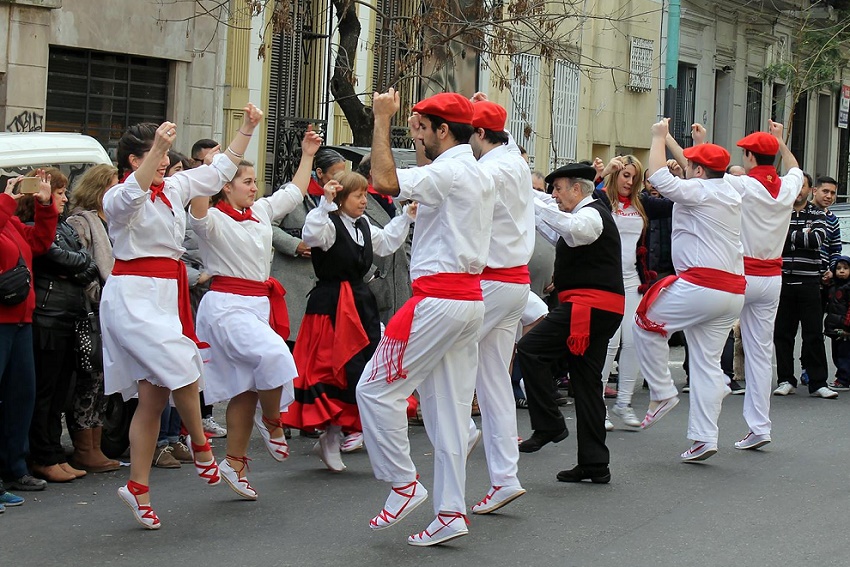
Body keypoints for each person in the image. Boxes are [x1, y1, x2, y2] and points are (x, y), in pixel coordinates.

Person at [101, 106, 262, 530]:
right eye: (156, 157)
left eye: (168, 158)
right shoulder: (118, 196)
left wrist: (246, 129)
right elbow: (132, 194)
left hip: (165, 296)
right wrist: (157, 148)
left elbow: (217, 171)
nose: (168, 164)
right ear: (135, 161)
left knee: (153, 397)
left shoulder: (173, 188)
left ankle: (137, 488)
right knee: (184, 367)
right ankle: (202, 446)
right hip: (132, 297)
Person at [356, 89, 494, 546]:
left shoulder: (449, 170)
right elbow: (416, 171)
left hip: (438, 300)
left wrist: (381, 120)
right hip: (466, 300)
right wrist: (415, 128)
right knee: (448, 416)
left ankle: (403, 482)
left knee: (375, 391)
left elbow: (383, 178)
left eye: (423, 126)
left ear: (443, 130)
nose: (417, 132)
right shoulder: (471, 170)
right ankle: (451, 512)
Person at [190, 121, 322, 499]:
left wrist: (307, 155)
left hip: (257, 306)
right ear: (226, 186)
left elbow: (294, 192)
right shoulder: (212, 220)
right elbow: (198, 204)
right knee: (276, 356)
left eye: (253, 181)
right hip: (226, 307)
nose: (252, 187)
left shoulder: (262, 211)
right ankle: (273, 420)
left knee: (245, 388)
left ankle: (233, 464)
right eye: (244, 181)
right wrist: (211, 168)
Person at [285, 170, 415, 472]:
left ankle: (341, 434)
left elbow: (385, 243)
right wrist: (324, 205)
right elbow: (311, 236)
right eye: (358, 196)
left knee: (362, 369)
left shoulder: (362, 225)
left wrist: (406, 216)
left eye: (364, 195)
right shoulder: (327, 223)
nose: (363, 200)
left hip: (359, 304)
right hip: (331, 306)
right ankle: (331, 437)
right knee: (333, 369)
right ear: (341, 198)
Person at [633, 119, 745, 462]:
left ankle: (663, 392)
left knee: (645, 321)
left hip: (702, 285)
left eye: (690, 165)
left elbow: (657, 176)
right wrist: (682, 142)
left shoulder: (698, 190)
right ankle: (703, 438)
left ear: (697, 170)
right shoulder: (729, 188)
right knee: (706, 364)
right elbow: (697, 168)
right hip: (732, 292)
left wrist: (656, 137)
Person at [692, 122, 803, 449]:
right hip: (771, 279)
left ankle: (705, 435)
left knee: (710, 351)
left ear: (750, 157)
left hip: (741, 275)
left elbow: (710, 171)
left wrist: (701, 142)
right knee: (759, 353)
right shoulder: (786, 186)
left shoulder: (742, 184)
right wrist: (781, 140)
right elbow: (795, 166)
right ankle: (760, 427)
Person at [516, 163, 624, 486]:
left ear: (577, 189)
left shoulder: (591, 214)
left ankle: (549, 423)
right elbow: (557, 228)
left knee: (530, 349)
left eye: (558, 188)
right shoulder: (583, 214)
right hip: (595, 308)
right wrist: (530, 202)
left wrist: (530, 200)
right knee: (586, 383)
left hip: (591, 307)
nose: (554, 195)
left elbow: (575, 231)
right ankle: (594, 463)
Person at [464, 97, 534, 514]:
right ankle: (505, 479)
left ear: (479, 134)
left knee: (439, 354)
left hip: (492, 280)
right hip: (513, 282)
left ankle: (460, 429)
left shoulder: (489, 168)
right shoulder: (515, 161)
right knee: (493, 385)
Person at [20, 168, 98, 483]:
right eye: (61, 192)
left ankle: (53, 450)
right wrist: (79, 266)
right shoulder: (31, 225)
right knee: (45, 391)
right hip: (47, 316)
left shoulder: (64, 225)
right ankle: (43, 455)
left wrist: (78, 266)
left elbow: (84, 262)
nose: (65, 199)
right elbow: (54, 257)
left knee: (59, 392)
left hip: (67, 314)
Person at [597, 156, 673, 428]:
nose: (628, 181)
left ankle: (623, 403)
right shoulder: (603, 201)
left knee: (633, 342)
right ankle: (597, 408)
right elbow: (582, 196)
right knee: (609, 343)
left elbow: (675, 204)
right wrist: (602, 173)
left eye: (633, 176)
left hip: (633, 282)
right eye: (624, 175)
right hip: (605, 281)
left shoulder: (643, 204)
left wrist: (675, 178)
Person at [0, 170, 58, 495]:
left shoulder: (9, 222)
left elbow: (40, 241)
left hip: (21, 321)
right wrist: (7, 201)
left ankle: (14, 467)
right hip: (2, 320)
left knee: (21, 396)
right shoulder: (3, 213)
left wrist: (45, 205)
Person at [65, 164, 122, 473]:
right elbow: (82, 265)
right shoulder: (82, 222)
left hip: (113, 309)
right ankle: (84, 448)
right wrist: (99, 293)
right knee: (89, 378)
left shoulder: (115, 219)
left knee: (104, 380)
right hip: (90, 311)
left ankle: (96, 445)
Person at [271, 147, 347, 343]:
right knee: (289, 340)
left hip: (324, 281)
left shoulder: (340, 199)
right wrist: (295, 245)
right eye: (335, 175)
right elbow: (268, 225)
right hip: (292, 279)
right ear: (320, 173)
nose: (339, 180)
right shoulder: (293, 193)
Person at [772, 169, 836, 399]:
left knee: (813, 334)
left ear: (810, 190)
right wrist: (799, 235)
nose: (799, 191)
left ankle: (818, 382)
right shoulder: (778, 212)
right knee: (783, 333)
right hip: (782, 280)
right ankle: (785, 379)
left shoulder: (817, 213)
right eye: (795, 186)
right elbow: (772, 239)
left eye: (803, 186)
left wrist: (787, 236)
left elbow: (817, 240)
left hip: (810, 281)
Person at [824, 256, 850, 391]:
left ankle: (843, 379)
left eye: (845, 268)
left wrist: (847, 326)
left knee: (844, 355)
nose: (841, 271)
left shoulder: (848, 287)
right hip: (835, 328)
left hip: (845, 330)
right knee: (836, 354)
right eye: (839, 268)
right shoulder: (833, 286)